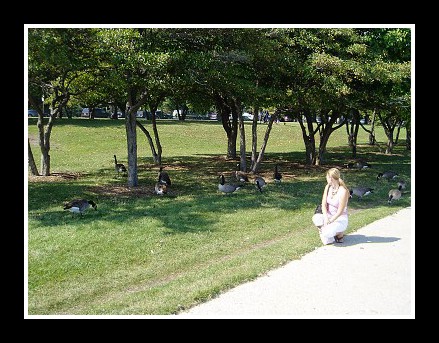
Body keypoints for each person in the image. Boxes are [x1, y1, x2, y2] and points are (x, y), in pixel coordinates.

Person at [312, 168, 349, 245]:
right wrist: (325, 218)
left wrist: (330, 221)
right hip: (328, 216)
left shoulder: (343, 191)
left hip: (340, 219)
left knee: (327, 233)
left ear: (330, 178)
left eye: (327, 177)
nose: (326, 179)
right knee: (316, 218)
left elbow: (340, 211)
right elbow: (324, 204)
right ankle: (329, 233)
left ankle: (339, 233)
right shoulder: (328, 187)